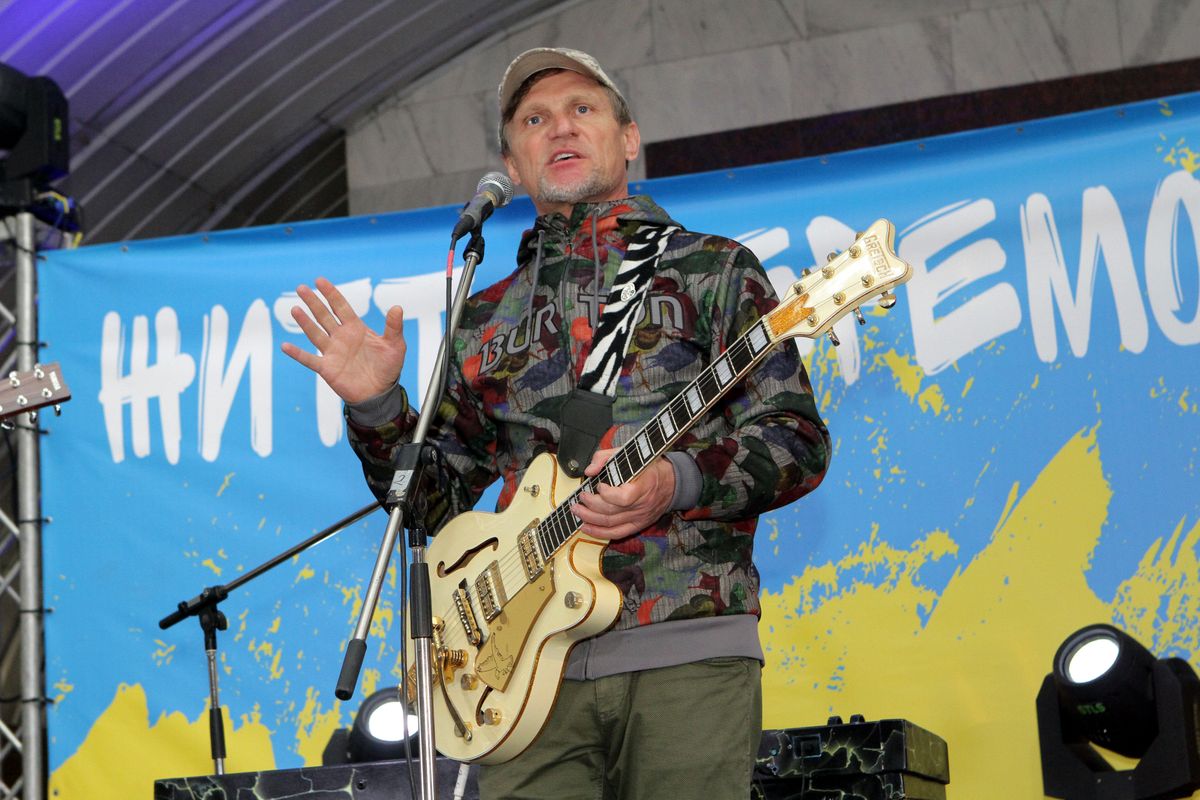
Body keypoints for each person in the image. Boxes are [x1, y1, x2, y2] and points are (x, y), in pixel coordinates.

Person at [283, 47, 831, 800]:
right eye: (534, 120)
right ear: (512, 161)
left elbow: (797, 440)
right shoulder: (483, 313)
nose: (560, 129)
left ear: (628, 137)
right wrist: (378, 406)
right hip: (518, 677)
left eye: (583, 109)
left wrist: (677, 479)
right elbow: (431, 504)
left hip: (683, 645)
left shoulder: (715, 270)